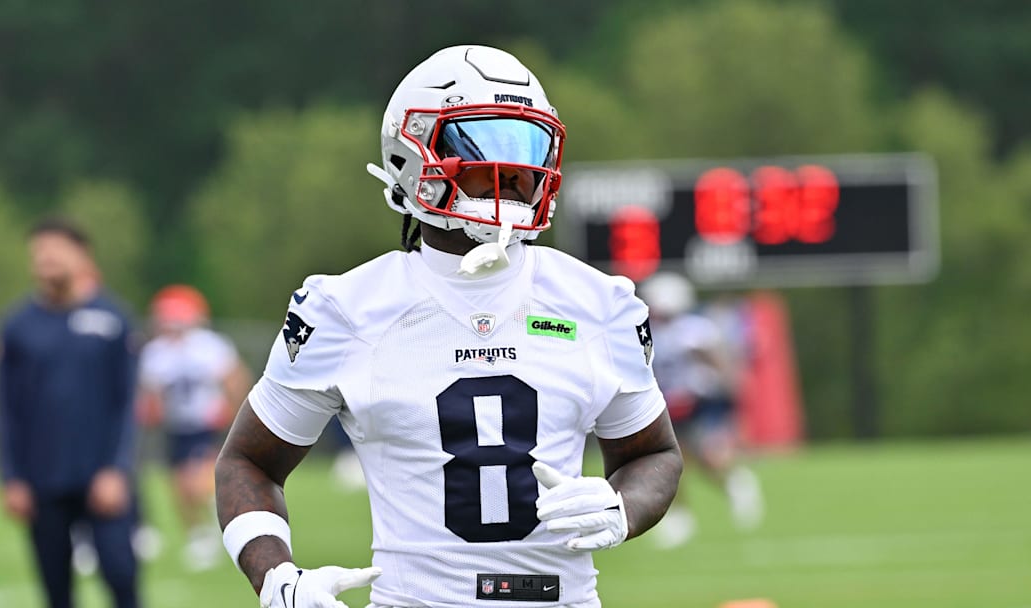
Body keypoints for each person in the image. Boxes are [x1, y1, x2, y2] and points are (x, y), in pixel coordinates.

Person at [214, 45, 683, 608]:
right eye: (484, 147)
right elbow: (247, 461)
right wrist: (276, 579)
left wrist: (620, 508)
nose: (514, 174)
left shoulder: (599, 302)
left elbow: (654, 454)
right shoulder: (346, 308)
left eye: (527, 149)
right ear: (412, 159)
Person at [0, 217, 140, 608]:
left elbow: (126, 403)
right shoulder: (17, 326)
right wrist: (12, 477)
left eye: (56, 249)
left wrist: (116, 468)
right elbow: (7, 409)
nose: (47, 258)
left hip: (103, 478)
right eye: (39, 251)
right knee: (56, 590)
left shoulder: (112, 320)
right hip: (43, 481)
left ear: (83, 256)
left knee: (121, 576)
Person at [638, 273, 763, 549]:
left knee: (698, 458)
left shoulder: (693, 330)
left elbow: (718, 363)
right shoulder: (649, 331)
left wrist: (726, 389)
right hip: (667, 403)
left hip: (697, 401)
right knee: (672, 463)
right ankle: (682, 516)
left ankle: (732, 483)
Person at [137, 284, 251, 569]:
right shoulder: (155, 352)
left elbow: (236, 379)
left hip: (206, 422)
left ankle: (221, 521)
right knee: (179, 488)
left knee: (196, 481)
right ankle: (199, 534)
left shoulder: (209, 346)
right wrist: (150, 412)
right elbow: (151, 396)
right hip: (176, 426)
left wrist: (233, 412)